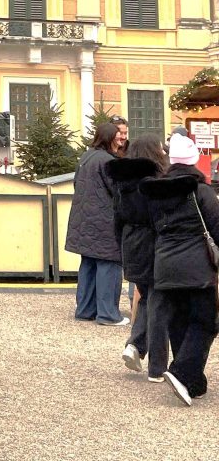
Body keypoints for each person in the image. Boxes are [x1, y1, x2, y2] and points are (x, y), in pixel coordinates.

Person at [140, 131, 219, 405]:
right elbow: (216, 228)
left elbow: (150, 228)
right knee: (206, 322)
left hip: (165, 265)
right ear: (194, 161)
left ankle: (193, 383)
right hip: (197, 267)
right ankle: (182, 372)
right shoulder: (201, 192)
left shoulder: (154, 193)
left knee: (179, 321)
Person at [108, 134, 168, 379]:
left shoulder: (122, 182)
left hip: (131, 241)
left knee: (147, 297)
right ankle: (157, 367)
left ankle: (135, 345)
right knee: (159, 303)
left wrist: (122, 247)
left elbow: (116, 220)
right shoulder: (157, 182)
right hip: (154, 242)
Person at [65, 122, 128, 325]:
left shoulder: (86, 157)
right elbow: (117, 191)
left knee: (88, 264)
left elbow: (77, 184)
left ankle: (85, 310)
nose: (120, 140)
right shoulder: (108, 161)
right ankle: (108, 314)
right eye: (117, 136)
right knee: (109, 264)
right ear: (109, 139)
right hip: (105, 222)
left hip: (84, 219)